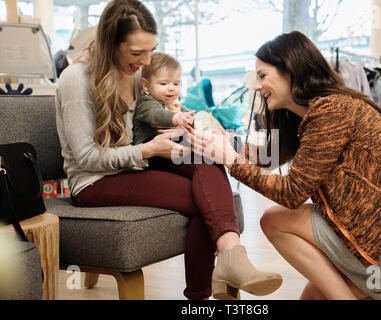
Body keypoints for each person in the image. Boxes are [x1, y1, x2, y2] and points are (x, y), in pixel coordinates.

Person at [187, 31, 381, 300]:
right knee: (314, 294)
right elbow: (267, 157)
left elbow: (292, 193)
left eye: (263, 75)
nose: (256, 86)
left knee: (274, 220)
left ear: (290, 71)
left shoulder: (331, 110)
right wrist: (226, 141)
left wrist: (229, 159)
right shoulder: (314, 114)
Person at [55, 0, 282, 300]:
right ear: (111, 43)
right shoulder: (76, 80)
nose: (147, 61)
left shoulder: (136, 74)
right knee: (206, 201)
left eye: (151, 50)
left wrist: (196, 123)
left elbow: (155, 116)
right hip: (96, 180)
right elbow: (85, 158)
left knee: (208, 160)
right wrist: (148, 151)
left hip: (137, 163)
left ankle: (231, 258)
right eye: (137, 53)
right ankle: (204, 292)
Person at [133, 52, 195, 145]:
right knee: (188, 144)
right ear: (146, 85)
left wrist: (192, 119)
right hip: (148, 144)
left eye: (176, 84)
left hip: (166, 141)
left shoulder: (172, 103)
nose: (171, 88)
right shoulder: (146, 102)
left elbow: (183, 113)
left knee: (195, 141)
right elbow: (156, 115)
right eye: (163, 83)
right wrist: (176, 117)